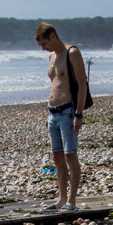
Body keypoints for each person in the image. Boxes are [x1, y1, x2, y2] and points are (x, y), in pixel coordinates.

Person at [34, 22, 88, 212]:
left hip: (68, 111)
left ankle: (71, 201)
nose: (43, 48)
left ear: (52, 36)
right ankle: (61, 198)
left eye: (44, 43)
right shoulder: (51, 56)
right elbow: (55, 83)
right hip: (52, 112)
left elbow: (82, 85)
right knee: (57, 157)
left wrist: (78, 114)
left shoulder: (72, 53)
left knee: (70, 155)